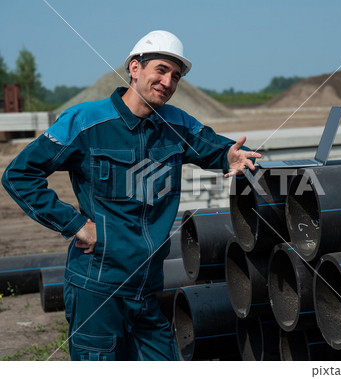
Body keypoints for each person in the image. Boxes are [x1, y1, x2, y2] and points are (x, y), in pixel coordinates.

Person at [1, 30, 261, 361]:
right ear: (135, 68)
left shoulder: (177, 124)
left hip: (148, 287)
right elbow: (19, 175)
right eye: (161, 70)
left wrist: (232, 156)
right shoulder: (85, 121)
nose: (168, 82)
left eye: (176, 76)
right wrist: (75, 223)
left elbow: (218, 148)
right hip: (98, 287)